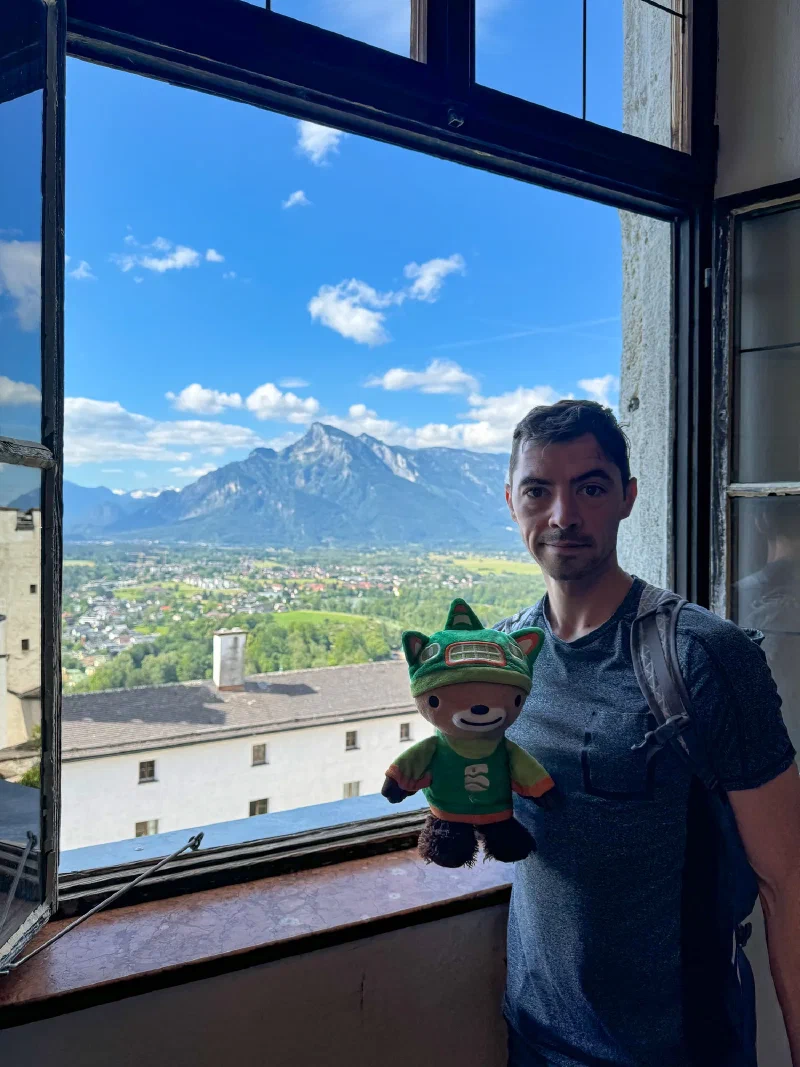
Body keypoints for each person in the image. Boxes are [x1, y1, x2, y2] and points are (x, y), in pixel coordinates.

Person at [494, 399, 800, 1067]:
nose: (564, 515)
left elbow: (789, 880)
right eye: (539, 490)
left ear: (629, 497)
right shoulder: (502, 662)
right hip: (534, 1041)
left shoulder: (703, 658)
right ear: (511, 501)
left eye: (591, 487)